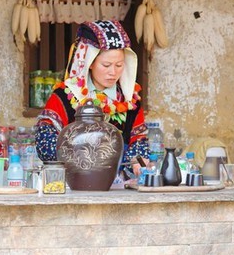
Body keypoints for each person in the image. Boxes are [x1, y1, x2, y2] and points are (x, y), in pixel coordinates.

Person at [35, 20, 149, 178]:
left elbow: (139, 143)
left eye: (119, 65)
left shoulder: (130, 100)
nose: (113, 72)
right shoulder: (66, 96)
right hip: (71, 183)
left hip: (116, 186)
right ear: (90, 63)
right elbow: (44, 143)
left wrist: (139, 162)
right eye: (106, 65)